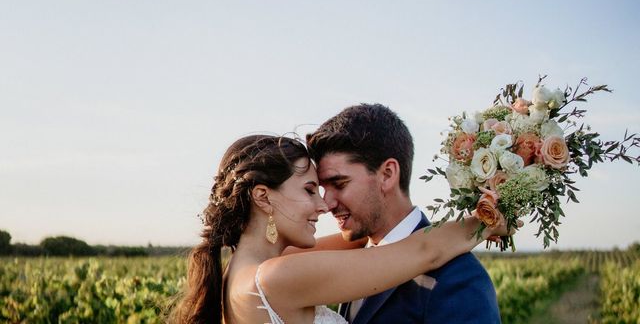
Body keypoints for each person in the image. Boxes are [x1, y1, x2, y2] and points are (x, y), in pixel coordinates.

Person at [169, 134, 511, 324]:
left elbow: (357, 239)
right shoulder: (279, 276)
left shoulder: (242, 271)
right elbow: (425, 249)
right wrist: (489, 219)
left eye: (334, 186)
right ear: (263, 197)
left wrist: (356, 209)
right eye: (309, 190)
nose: (324, 204)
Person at [306, 103, 502, 323]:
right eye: (323, 188)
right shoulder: (355, 260)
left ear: (387, 175)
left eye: (339, 184)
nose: (326, 203)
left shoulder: (457, 279)